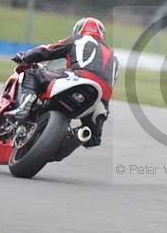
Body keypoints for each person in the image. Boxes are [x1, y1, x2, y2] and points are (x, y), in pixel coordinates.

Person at [7, 17, 118, 147]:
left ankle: (24, 107)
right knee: (92, 139)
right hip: (100, 98)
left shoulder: (78, 39)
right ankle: (77, 136)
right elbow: (111, 83)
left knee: (32, 74)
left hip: (79, 77)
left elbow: (47, 50)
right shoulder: (113, 56)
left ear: (78, 30)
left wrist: (25, 56)